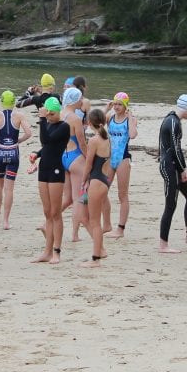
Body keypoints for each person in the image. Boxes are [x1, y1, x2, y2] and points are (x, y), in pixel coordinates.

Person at [158, 94, 187, 252]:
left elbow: (176, 149)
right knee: (170, 204)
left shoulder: (174, 120)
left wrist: (182, 168)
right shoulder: (172, 122)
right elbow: (174, 149)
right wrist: (182, 168)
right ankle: (163, 244)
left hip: (174, 165)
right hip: (169, 166)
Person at [0, 89, 32, 230]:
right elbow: (28, 133)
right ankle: (6, 221)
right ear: (13, 102)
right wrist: (19, 141)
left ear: (1, 101)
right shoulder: (19, 116)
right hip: (13, 152)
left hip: (0, 151)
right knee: (9, 188)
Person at [32, 97, 70, 264]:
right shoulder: (48, 124)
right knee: (47, 212)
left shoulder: (64, 126)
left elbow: (46, 139)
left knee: (56, 213)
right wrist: (37, 154)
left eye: (51, 114)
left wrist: (41, 119)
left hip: (56, 171)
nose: (49, 117)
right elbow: (47, 145)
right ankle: (46, 251)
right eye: (47, 114)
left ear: (58, 112)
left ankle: (56, 251)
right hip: (44, 169)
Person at [80, 108, 113, 268]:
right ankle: (100, 250)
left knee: (94, 222)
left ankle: (96, 259)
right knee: (84, 217)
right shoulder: (107, 139)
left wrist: (83, 181)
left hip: (96, 182)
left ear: (90, 123)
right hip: (102, 180)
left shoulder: (94, 141)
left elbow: (88, 164)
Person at [105, 92, 138, 239]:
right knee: (102, 190)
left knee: (122, 195)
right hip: (110, 158)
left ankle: (120, 229)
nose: (117, 107)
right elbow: (93, 123)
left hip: (123, 159)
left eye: (120, 104)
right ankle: (106, 224)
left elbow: (132, 135)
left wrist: (130, 117)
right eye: (115, 104)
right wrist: (106, 108)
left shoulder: (129, 120)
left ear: (125, 106)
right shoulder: (109, 118)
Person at [61, 87, 88, 242]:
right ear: (75, 100)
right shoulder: (75, 119)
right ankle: (75, 235)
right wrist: (89, 159)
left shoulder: (59, 114)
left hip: (62, 156)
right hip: (75, 156)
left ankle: (46, 223)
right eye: (80, 99)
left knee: (68, 198)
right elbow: (82, 143)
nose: (82, 101)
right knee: (79, 198)